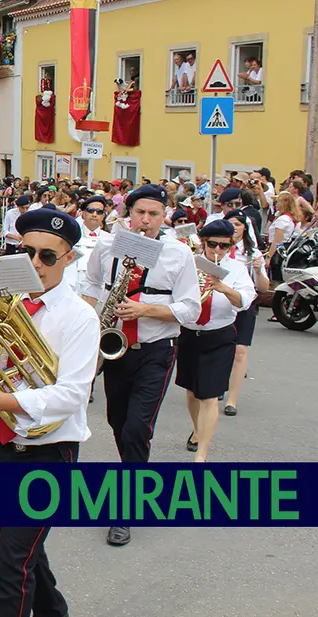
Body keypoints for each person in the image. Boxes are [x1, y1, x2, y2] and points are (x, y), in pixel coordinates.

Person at [0, 208, 98, 617]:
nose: (35, 264)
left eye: (48, 256)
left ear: (69, 259)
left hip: (49, 452)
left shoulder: (79, 316)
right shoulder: (4, 304)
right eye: (27, 252)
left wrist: (6, 402)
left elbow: (73, 394)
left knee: (12, 565)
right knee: (25, 552)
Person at [80, 184, 200, 547]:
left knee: (136, 427)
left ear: (164, 217)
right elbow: (90, 283)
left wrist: (145, 309)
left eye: (154, 215)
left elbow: (191, 311)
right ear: (128, 213)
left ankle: (126, 507)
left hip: (156, 349)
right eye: (140, 213)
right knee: (119, 423)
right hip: (116, 347)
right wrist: (85, 322)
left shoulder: (178, 255)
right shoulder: (106, 246)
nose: (146, 221)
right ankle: (135, 475)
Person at [177, 220, 254, 462]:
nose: (218, 251)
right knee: (192, 393)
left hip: (219, 335)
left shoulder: (237, 269)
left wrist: (222, 287)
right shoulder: (188, 263)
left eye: (224, 246)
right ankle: (198, 429)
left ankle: (202, 455)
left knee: (209, 396)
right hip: (189, 334)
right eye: (213, 245)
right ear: (203, 243)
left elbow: (245, 300)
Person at [221, 209, 269, 417]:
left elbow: (264, 287)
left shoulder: (253, 253)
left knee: (240, 351)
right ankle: (218, 384)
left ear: (245, 228)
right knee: (221, 348)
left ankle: (232, 399)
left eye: (238, 224)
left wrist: (258, 270)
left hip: (244, 304)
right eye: (230, 224)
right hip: (220, 304)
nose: (234, 228)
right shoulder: (216, 249)